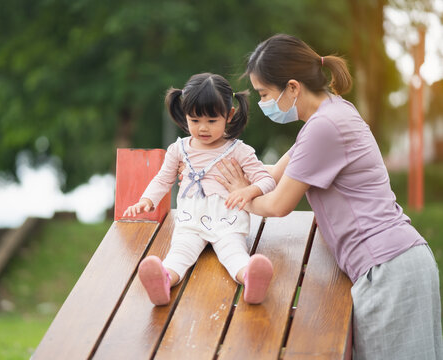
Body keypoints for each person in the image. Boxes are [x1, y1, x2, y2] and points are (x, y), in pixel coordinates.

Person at [215, 34, 443, 359]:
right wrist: (218, 172)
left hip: (388, 270)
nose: (264, 103)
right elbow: (272, 173)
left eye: (265, 94)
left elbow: (278, 204)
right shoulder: (328, 117)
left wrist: (240, 195)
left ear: (292, 87)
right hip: (393, 265)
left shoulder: (325, 127)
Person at [123, 73, 275, 306]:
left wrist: (248, 191)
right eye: (195, 121)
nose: (203, 128)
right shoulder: (179, 149)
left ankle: (250, 279)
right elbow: (163, 179)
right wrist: (147, 200)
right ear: (185, 115)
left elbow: (266, 180)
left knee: (233, 253)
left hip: (228, 219)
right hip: (190, 219)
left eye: (212, 121)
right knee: (179, 253)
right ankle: (163, 280)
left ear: (229, 115)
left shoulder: (239, 150)